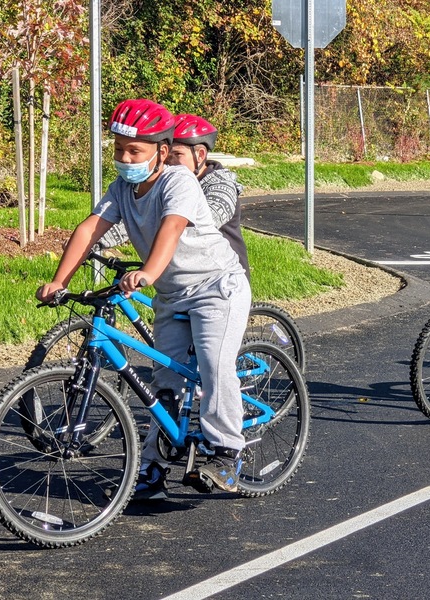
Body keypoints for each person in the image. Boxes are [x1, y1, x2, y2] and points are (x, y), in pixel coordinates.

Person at [36, 98, 252, 499]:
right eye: (118, 149)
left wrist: (148, 273)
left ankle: (227, 452)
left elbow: (171, 228)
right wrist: (58, 281)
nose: (124, 157)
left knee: (213, 364)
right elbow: (89, 230)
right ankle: (153, 469)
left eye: (134, 151)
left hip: (216, 288)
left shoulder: (178, 182)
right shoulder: (122, 187)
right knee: (162, 384)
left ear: (163, 152)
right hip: (173, 296)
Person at [166, 113, 250, 280]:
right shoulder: (167, 183)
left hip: (223, 279)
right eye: (166, 156)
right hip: (185, 276)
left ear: (201, 155)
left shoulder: (221, 186)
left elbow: (208, 220)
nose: (169, 162)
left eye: (177, 155)